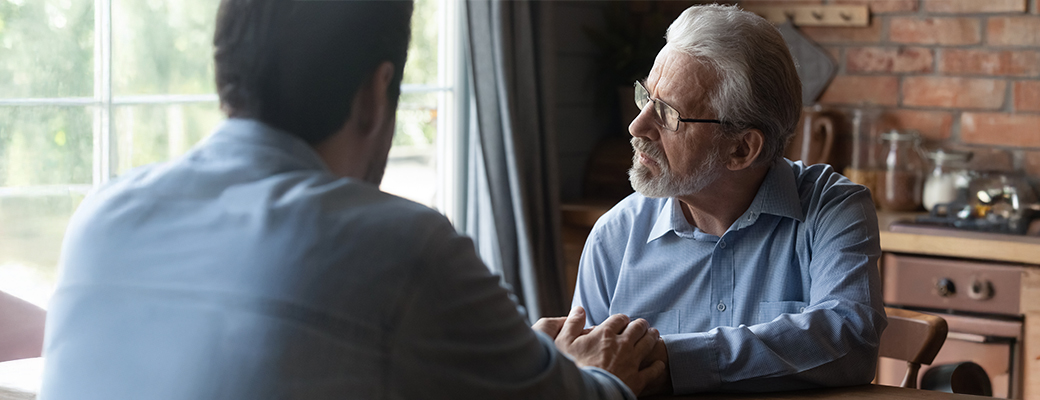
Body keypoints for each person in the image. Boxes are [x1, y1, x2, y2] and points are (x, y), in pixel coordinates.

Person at [39, 1, 663, 399]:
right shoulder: (403, 245)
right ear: (376, 92)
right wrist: (599, 374)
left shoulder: (99, 216)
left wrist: (511, 356)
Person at [569, 4, 887, 395]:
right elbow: (591, 377)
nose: (638, 125)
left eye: (667, 114)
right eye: (645, 96)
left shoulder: (832, 209)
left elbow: (851, 340)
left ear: (741, 149)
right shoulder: (614, 238)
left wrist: (670, 360)